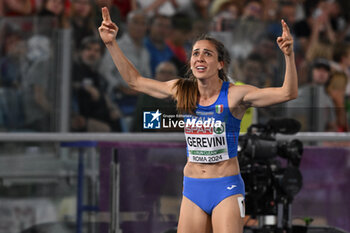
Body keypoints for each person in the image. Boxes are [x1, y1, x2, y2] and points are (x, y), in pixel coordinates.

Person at [99, 6, 297, 233]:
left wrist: (289, 56)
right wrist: (111, 44)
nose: (199, 57)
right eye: (195, 53)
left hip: (226, 187)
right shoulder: (181, 89)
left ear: (220, 64)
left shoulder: (235, 95)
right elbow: (135, 81)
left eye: (207, 53)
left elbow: (287, 93)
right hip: (193, 188)